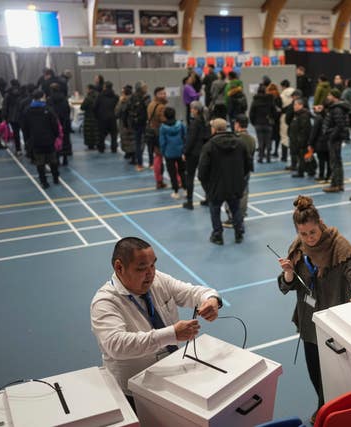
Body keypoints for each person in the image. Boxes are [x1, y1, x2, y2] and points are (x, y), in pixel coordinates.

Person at [90, 237, 222, 405]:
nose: (151, 273)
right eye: (142, 268)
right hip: (132, 391)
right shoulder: (105, 302)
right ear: (119, 267)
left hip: (170, 376)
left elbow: (192, 292)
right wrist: (172, 334)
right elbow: (117, 345)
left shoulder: (158, 279)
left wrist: (211, 300)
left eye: (153, 265)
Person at [277, 195, 351, 423]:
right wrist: (289, 273)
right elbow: (286, 285)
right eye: (303, 234)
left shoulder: (338, 245)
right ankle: (324, 404)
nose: (309, 238)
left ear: (320, 224)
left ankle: (333, 409)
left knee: (338, 373)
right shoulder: (297, 248)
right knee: (316, 373)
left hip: (336, 323)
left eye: (312, 232)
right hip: (310, 323)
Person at [198, 118, 252, 245]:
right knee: (236, 209)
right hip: (234, 185)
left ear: (214, 129)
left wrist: (207, 186)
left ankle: (218, 235)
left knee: (215, 210)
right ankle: (239, 232)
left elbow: (202, 170)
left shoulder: (209, 146)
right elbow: (248, 164)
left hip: (216, 186)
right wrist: (240, 180)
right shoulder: (240, 143)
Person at [21, 90, 60, 188]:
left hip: (35, 140)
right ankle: (55, 178)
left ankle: (44, 182)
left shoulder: (27, 110)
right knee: (53, 160)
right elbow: (55, 125)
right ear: (42, 97)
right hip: (49, 139)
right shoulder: (48, 109)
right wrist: (56, 136)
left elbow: (24, 127)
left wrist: (28, 139)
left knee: (40, 162)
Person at [182, 101, 210, 210]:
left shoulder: (194, 123)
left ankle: (189, 202)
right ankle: (208, 198)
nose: (191, 110)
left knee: (189, 176)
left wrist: (185, 152)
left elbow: (190, 140)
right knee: (204, 176)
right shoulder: (205, 121)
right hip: (203, 153)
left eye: (192, 109)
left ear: (196, 110)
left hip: (193, 153)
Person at [322, 89, 350, 193]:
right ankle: (339, 184)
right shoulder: (336, 108)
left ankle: (336, 184)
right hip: (336, 138)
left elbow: (340, 125)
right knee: (336, 161)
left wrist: (331, 136)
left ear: (334, 97)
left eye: (329, 95)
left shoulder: (337, 109)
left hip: (335, 139)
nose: (328, 97)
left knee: (335, 162)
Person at [159, 107, 187, 199]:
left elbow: (162, 142)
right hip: (180, 152)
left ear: (165, 116)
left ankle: (175, 192)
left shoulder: (163, 128)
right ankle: (186, 190)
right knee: (182, 171)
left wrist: (163, 152)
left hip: (169, 153)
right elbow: (185, 137)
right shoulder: (181, 125)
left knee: (172, 173)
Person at [147, 87, 169, 189]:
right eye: (161, 94)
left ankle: (158, 181)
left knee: (157, 157)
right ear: (156, 95)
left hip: (152, 134)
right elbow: (164, 120)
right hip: (161, 134)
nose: (164, 95)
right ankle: (177, 180)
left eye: (164, 93)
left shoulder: (151, 104)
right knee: (168, 158)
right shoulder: (161, 107)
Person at [127, 81, 150, 171]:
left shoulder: (132, 97)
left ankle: (142, 163)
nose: (146, 88)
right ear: (140, 88)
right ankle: (141, 163)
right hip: (140, 123)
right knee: (142, 143)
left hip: (138, 123)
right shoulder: (144, 97)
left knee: (140, 143)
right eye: (144, 87)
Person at [47, 82, 72, 165]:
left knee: (55, 140)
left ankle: (56, 159)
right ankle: (65, 159)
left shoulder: (49, 99)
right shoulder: (64, 98)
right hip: (64, 121)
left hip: (55, 122)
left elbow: (49, 111)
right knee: (65, 139)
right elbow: (68, 110)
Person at [248, 85, 275, 163]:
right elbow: (274, 111)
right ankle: (268, 157)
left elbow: (251, 113)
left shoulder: (255, 101)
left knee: (260, 141)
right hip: (268, 123)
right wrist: (272, 119)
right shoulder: (270, 100)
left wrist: (254, 122)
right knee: (268, 140)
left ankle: (260, 157)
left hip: (258, 123)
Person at [288, 98, 312, 178]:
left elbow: (304, 130)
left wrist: (300, 141)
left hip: (301, 141)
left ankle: (301, 171)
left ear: (301, 105)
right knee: (303, 156)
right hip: (296, 139)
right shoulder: (296, 114)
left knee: (303, 156)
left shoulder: (303, 116)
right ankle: (310, 170)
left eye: (295, 105)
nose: (294, 106)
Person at [93, 81, 119, 153]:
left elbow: (95, 107)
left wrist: (97, 116)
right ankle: (114, 147)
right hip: (112, 117)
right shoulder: (116, 96)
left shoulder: (100, 96)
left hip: (102, 117)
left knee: (101, 134)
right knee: (113, 134)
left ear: (104, 87)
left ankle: (101, 148)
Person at [2, 79, 23, 155]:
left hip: (12, 116)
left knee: (16, 133)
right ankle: (30, 151)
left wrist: (4, 117)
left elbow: (5, 106)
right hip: (22, 116)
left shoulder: (7, 94)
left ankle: (18, 149)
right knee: (27, 133)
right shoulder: (22, 92)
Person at [115, 84, 135, 164]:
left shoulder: (123, 101)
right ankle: (133, 155)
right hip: (134, 123)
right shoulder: (135, 99)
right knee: (134, 140)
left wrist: (120, 102)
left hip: (124, 124)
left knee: (126, 140)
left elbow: (117, 113)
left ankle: (129, 154)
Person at [310, 104, 329, 183]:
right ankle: (329, 175)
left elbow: (314, 132)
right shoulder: (329, 116)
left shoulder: (318, 118)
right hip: (328, 141)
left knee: (321, 160)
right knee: (328, 160)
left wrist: (310, 143)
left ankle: (321, 175)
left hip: (320, 142)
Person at [80, 84, 100, 150]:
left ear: (90, 89)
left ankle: (90, 145)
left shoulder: (88, 97)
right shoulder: (99, 96)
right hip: (97, 116)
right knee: (97, 130)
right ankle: (98, 143)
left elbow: (82, 107)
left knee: (89, 132)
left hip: (89, 116)